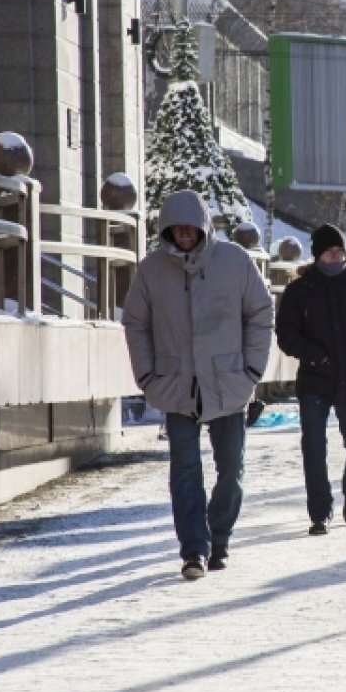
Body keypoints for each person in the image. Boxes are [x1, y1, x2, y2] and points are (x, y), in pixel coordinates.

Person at [122, 190, 274, 580]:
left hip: (228, 383)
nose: (185, 235)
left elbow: (261, 311)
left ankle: (218, 536)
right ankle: (194, 550)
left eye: (191, 228)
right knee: (185, 471)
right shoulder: (151, 270)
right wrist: (146, 375)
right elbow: (135, 322)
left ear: (203, 226)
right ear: (167, 230)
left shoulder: (235, 262)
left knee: (231, 471)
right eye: (177, 229)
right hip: (175, 384)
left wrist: (252, 370)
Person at [275, 224, 346, 535]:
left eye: (340, 250)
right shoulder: (300, 290)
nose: (336, 256)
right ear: (317, 255)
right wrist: (315, 355)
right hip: (315, 377)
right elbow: (286, 333)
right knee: (314, 446)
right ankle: (319, 513)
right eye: (330, 251)